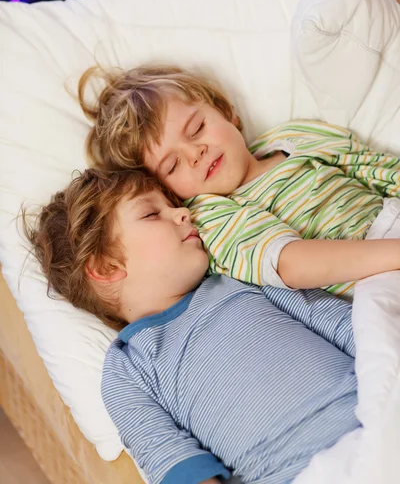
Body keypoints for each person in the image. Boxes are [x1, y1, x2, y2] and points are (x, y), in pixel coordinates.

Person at [23, 168, 360, 484]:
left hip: (376, 411)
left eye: (173, 206)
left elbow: (348, 327)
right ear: (107, 267)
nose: (183, 214)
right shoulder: (128, 366)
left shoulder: (241, 278)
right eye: (152, 214)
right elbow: (170, 458)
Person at [78, 64, 400, 300]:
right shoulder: (209, 215)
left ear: (227, 112)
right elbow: (288, 262)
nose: (195, 153)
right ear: (165, 191)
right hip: (369, 285)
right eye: (173, 164)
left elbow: (379, 169)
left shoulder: (295, 136)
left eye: (196, 128)